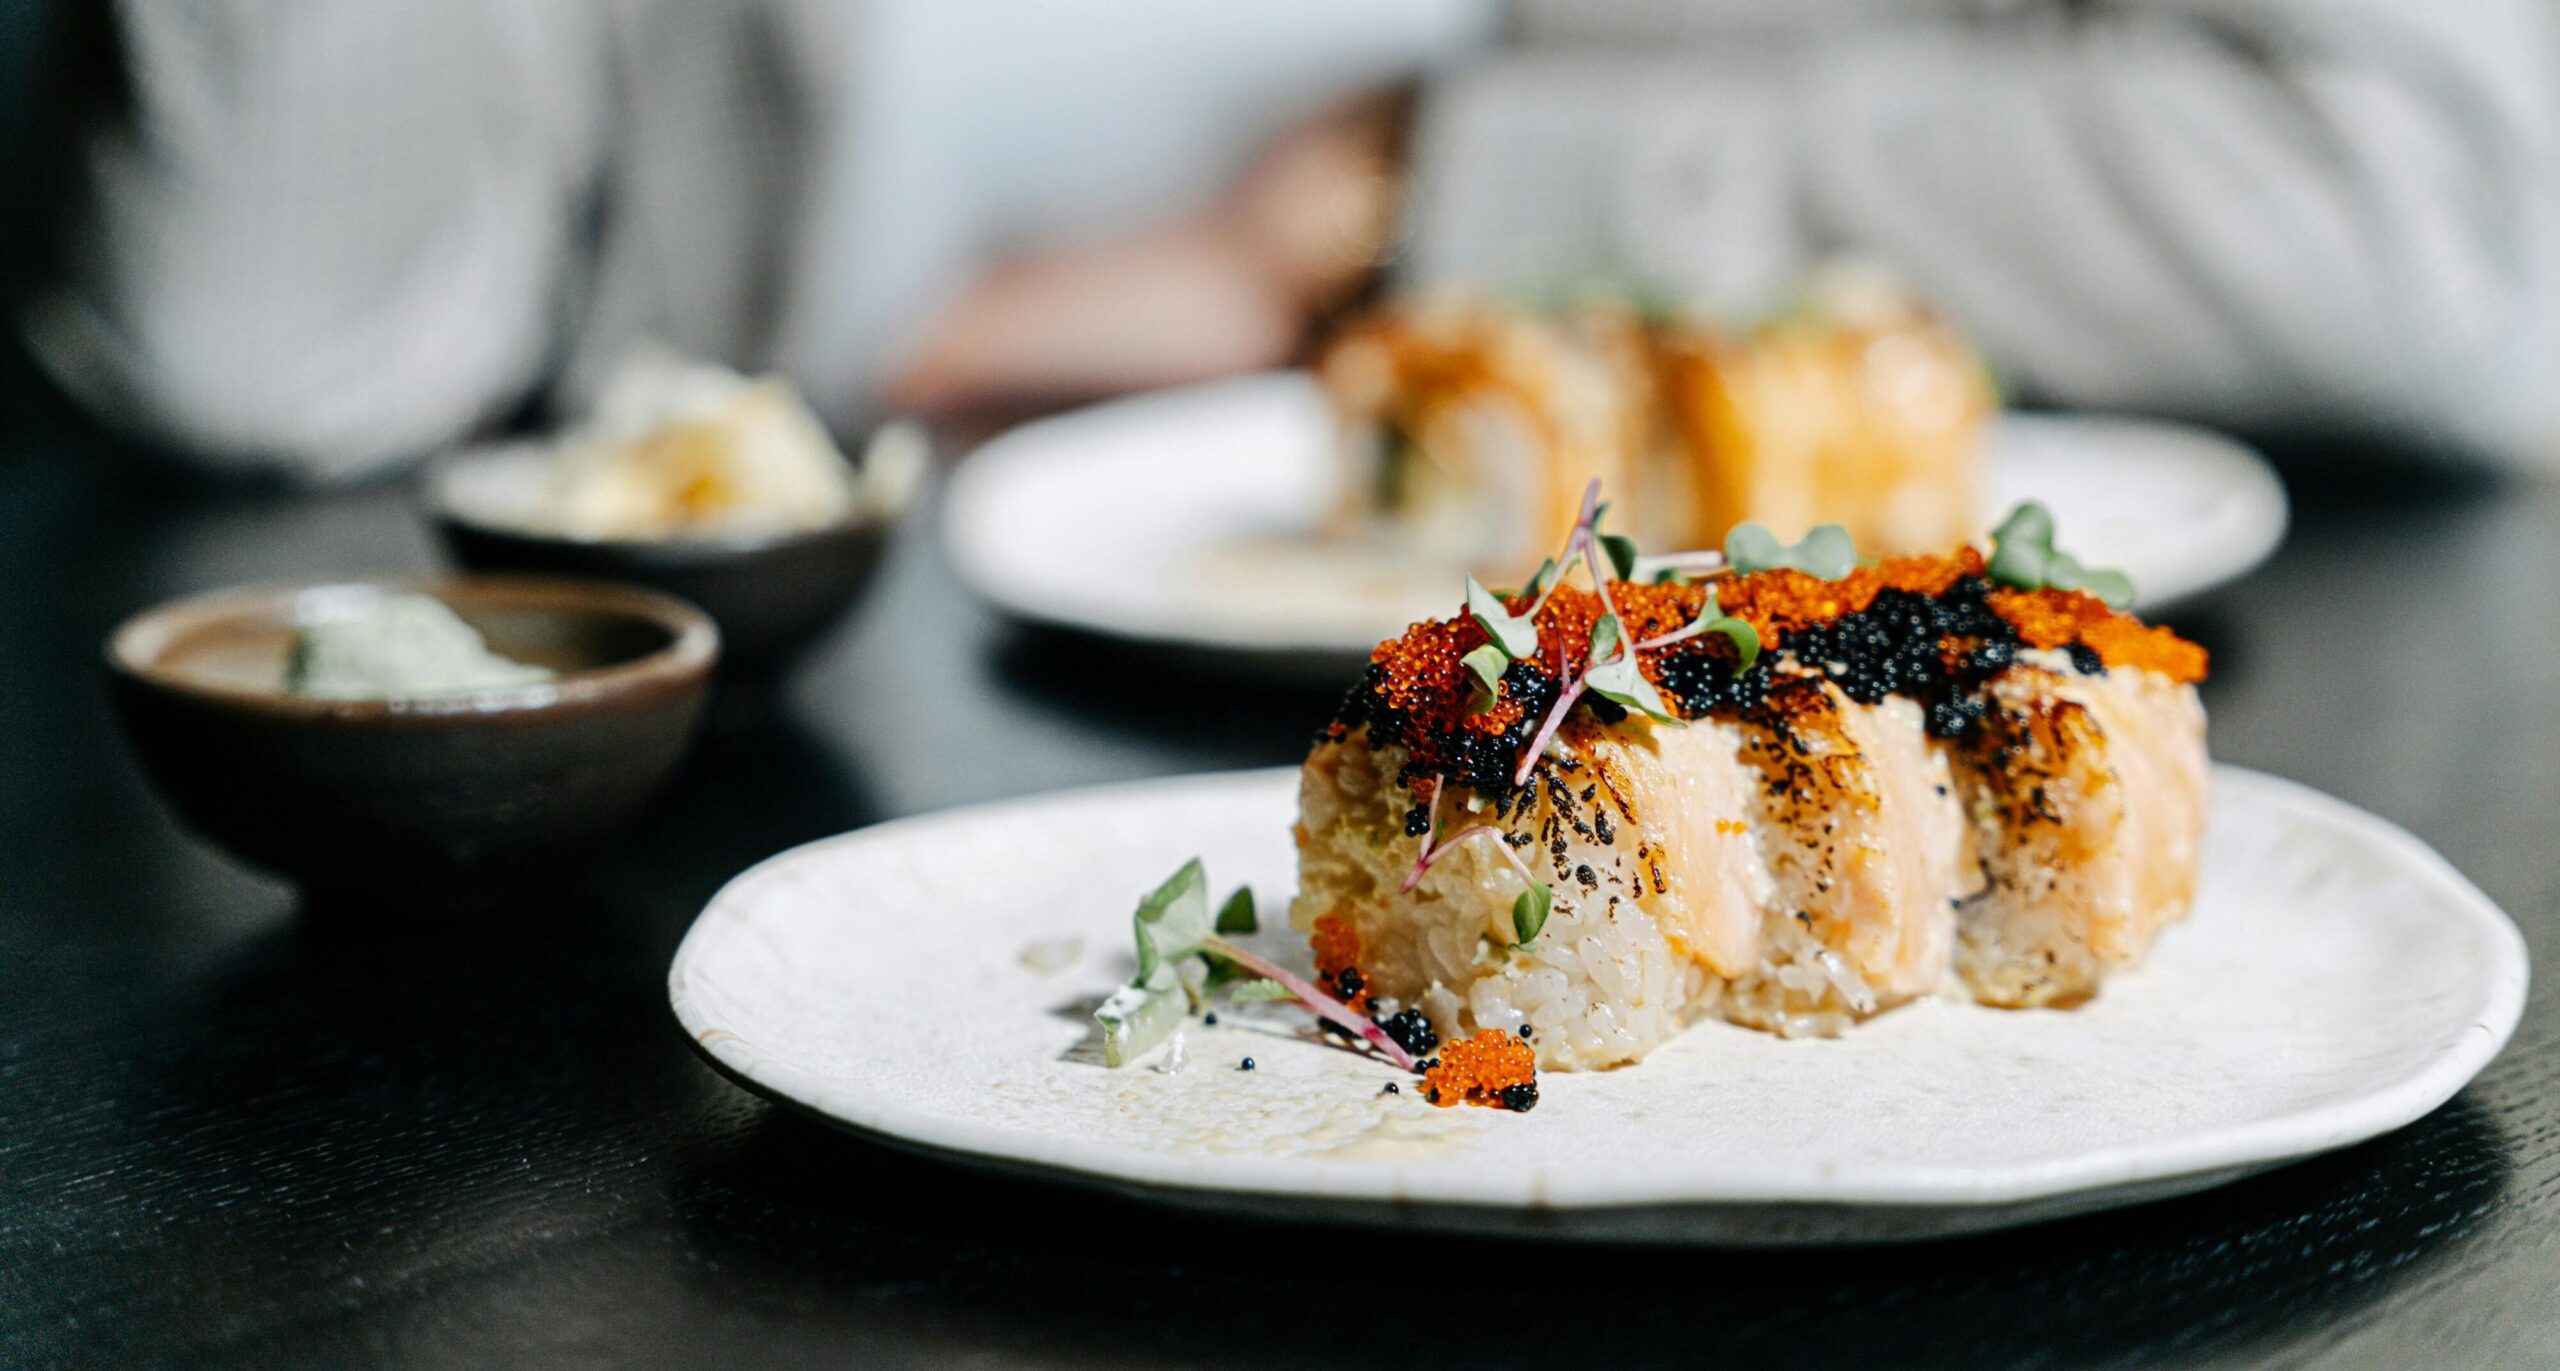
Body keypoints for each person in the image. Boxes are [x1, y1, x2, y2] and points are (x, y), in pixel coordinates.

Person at [21, 0, 2560, 479]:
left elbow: (2440, 227)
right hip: (780, 732)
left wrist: (1413, 195)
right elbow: (248, 333)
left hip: (1642, 618)